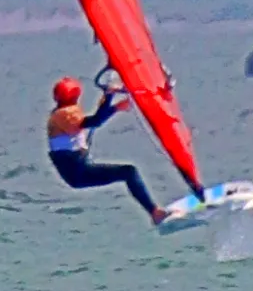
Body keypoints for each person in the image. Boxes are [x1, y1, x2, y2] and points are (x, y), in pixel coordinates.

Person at [46, 76, 168, 224]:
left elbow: (93, 120)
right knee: (129, 172)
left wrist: (111, 99)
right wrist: (112, 100)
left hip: (77, 169)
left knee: (127, 172)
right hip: (77, 172)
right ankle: (155, 212)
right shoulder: (63, 115)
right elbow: (95, 121)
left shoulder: (60, 113)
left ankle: (154, 212)